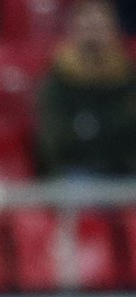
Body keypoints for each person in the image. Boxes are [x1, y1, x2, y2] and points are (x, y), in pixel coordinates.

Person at [36, 0, 136, 178]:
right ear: (74, 32)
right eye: (87, 27)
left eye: (99, 27)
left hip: (126, 170)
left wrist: (90, 130)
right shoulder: (58, 80)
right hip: (76, 171)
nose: (93, 35)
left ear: (114, 31)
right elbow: (56, 142)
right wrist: (110, 133)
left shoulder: (128, 77)